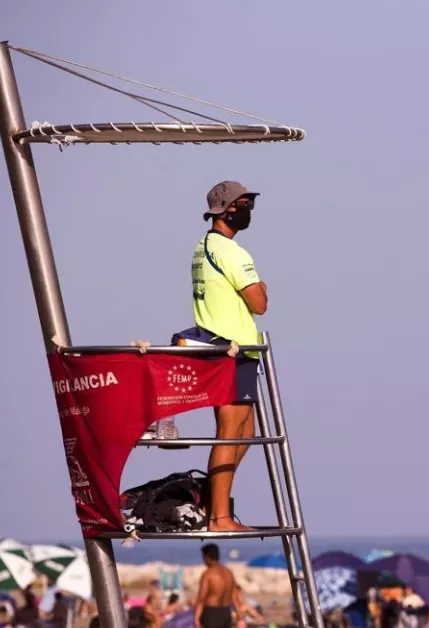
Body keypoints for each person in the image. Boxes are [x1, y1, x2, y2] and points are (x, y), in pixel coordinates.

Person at [190, 181, 269, 532]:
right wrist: (262, 287)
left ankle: (213, 501)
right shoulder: (233, 252)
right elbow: (260, 303)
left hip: (223, 347)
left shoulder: (202, 246)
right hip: (231, 349)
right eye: (245, 203)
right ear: (228, 209)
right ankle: (219, 517)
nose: (249, 209)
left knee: (245, 431)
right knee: (230, 432)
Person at [196, 543, 239, 628]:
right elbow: (234, 595)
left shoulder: (208, 574)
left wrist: (196, 617)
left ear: (207, 557)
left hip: (211, 613)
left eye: (203, 557)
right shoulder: (228, 573)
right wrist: (238, 611)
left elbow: (202, 597)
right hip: (226, 612)